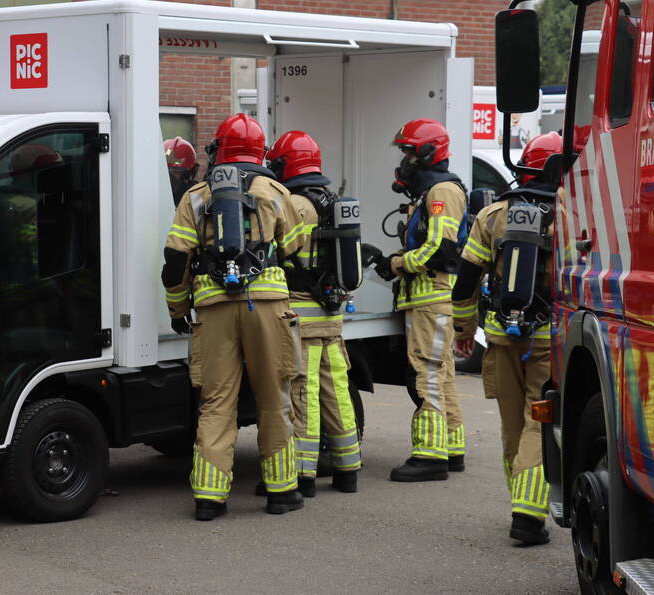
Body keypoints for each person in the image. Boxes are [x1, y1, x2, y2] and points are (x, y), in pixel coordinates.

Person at [162, 113, 308, 520]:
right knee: (274, 398)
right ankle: (282, 492)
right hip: (268, 308)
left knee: (216, 402)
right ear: (260, 152)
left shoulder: (196, 195)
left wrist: (178, 309)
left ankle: (209, 498)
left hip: (214, 310)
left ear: (219, 150)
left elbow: (174, 261)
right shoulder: (275, 190)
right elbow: (296, 249)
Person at [451, 131, 562, 545]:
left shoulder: (493, 214)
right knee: (540, 421)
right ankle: (528, 514)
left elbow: (465, 282)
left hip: (501, 337)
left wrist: (464, 331)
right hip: (550, 340)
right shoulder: (571, 213)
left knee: (512, 423)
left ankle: (520, 501)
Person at [265, 130, 361, 496]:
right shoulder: (331, 201)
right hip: (331, 317)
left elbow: (278, 252)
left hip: (301, 317)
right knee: (337, 393)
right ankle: (348, 471)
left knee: (303, 395)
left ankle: (303, 476)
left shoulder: (293, 204)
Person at [372, 119, 467, 482]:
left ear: (428, 153)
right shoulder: (430, 192)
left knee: (426, 374)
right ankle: (451, 447)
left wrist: (396, 264)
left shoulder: (442, 192)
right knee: (441, 374)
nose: (405, 161)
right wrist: (390, 262)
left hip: (432, 297)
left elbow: (440, 250)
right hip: (428, 298)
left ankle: (430, 456)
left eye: (409, 152)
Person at [163, 137, 199, 206]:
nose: (171, 177)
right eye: (168, 172)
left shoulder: (196, 197)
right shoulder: (152, 194)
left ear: (188, 174)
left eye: (177, 172)